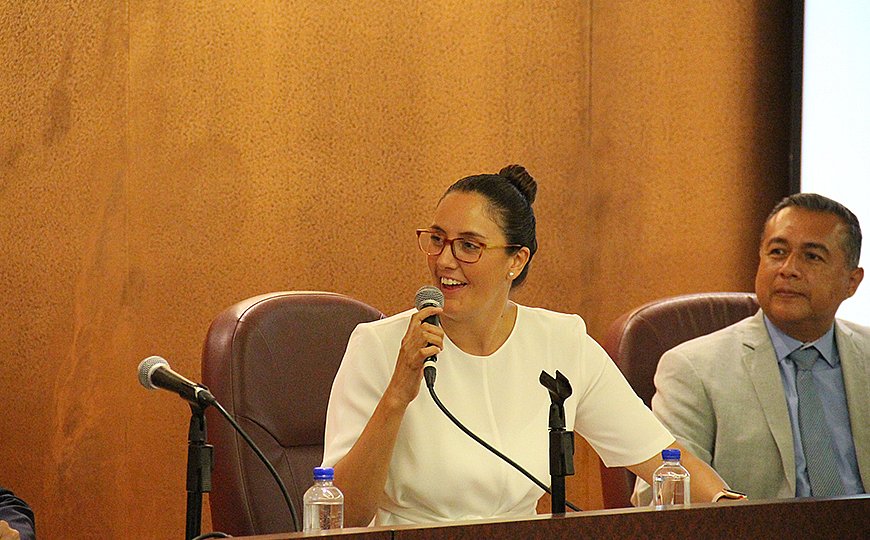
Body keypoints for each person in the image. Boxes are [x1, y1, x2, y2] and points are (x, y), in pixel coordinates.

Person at [322, 164, 736, 527]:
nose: (444, 260)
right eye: (437, 239)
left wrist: (733, 510)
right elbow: (343, 514)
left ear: (516, 261)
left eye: (468, 246)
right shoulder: (379, 347)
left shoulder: (561, 342)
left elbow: (663, 458)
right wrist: (397, 394)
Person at [633, 193, 869, 505]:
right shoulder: (694, 369)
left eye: (812, 256)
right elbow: (662, 497)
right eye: (777, 252)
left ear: (851, 282)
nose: (788, 269)